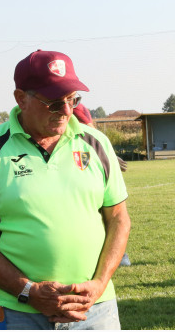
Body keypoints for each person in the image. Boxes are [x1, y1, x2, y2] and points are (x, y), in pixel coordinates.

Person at [0, 50, 130, 330]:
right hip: (14, 312)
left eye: (71, 100)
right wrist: (28, 292)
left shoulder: (96, 143)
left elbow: (119, 219)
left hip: (95, 310)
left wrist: (98, 286)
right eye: (53, 103)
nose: (66, 111)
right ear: (20, 99)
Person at [72, 103, 131, 267]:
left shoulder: (78, 109)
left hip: (83, 160)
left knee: (108, 209)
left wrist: (107, 155)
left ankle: (119, 254)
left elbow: (91, 132)